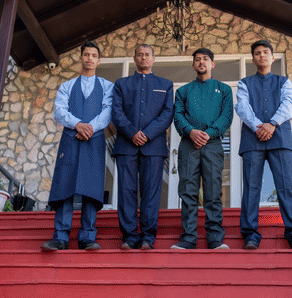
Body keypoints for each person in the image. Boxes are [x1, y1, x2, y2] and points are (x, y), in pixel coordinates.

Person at [235, 39, 292, 250]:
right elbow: (242, 107)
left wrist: (272, 124)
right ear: (253, 59)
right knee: (251, 189)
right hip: (252, 139)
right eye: (257, 53)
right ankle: (250, 234)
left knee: (286, 187)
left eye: (265, 52)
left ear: (272, 57)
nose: (262, 56)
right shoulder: (244, 83)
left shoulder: (284, 82)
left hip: (280, 138)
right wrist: (260, 126)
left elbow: (288, 104)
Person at [42, 41, 113, 251]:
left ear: (98, 61)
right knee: (65, 185)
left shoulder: (108, 86)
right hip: (71, 139)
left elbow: (108, 112)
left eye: (94, 55)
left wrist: (90, 128)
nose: (90, 58)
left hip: (95, 139)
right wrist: (78, 125)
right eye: (86, 54)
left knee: (90, 187)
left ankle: (87, 237)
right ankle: (61, 236)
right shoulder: (67, 86)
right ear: (81, 58)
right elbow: (60, 112)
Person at [111, 44, 174, 250]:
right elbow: (117, 112)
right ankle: (129, 236)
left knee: (151, 192)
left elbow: (167, 114)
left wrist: (146, 134)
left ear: (153, 59)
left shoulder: (165, 84)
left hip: (153, 146)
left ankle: (148, 236)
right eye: (140, 54)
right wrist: (132, 132)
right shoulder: (122, 84)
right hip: (126, 145)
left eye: (147, 55)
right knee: (126, 191)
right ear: (135, 58)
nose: (144, 58)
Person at [170, 48, 234, 250]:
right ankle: (188, 237)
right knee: (188, 191)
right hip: (189, 144)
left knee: (213, 191)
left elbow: (227, 116)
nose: (201, 62)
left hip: (213, 144)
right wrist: (191, 132)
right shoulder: (183, 91)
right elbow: (178, 116)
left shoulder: (224, 90)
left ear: (213, 64)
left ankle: (215, 237)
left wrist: (210, 132)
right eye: (197, 59)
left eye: (205, 59)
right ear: (193, 65)